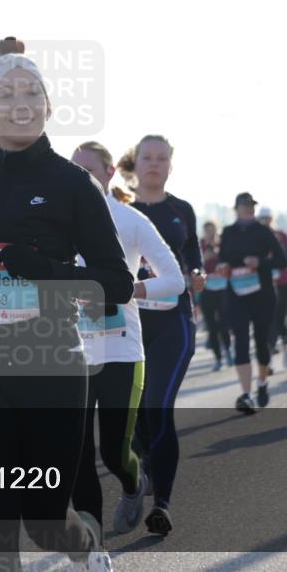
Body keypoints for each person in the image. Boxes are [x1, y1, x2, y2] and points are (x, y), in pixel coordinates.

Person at [0, 37, 132, 571]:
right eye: (7, 93)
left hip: (48, 359)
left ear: (48, 107)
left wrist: (50, 273)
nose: (20, 101)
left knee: (42, 518)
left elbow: (117, 284)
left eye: (32, 92)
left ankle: (86, 547)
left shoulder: (73, 183)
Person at [70, 142, 184, 539]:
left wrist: (128, 290)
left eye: (87, 170)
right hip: (70, 351)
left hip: (120, 348)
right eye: (73, 170)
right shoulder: (55, 224)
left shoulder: (129, 220)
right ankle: (91, 546)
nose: (79, 177)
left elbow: (175, 280)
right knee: (78, 454)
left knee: (115, 453)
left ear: (109, 172)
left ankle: (134, 485)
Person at [116, 134, 204, 537]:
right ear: (136, 164)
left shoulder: (180, 210)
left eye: (162, 158)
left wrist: (198, 279)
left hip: (173, 321)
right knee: (131, 412)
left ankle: (162, 505)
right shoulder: (118, 208)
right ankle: (144, 466)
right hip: (127, 322)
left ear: (171, 164)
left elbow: (194, 263)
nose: (154, 164)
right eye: (147, 158)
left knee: (158, 405)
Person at [217, 192, 287, 414]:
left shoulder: (264, 231)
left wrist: (260, 262)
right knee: (240, 339)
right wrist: (223, 267)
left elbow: (282, 261)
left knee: (261, 341)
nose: (249, 209)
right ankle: (246, 394)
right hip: (236, 293)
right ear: (236, 208)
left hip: (262, 294)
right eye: (245, 205)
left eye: (252, 206)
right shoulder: (228, 232)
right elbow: (222, 259)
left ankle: (262, 383)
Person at [258, 207, 287, 367]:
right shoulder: (255, 237)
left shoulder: (281, 235)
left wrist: (278, 257)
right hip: (264, 283)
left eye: (268, 218)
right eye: (262, 218)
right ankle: (269, 359)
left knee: (279, 319)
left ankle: (285, 347)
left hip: (283, 282)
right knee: (268, 321)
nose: (265, 221)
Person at [200, 221, 232, 370]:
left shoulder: (224, 245)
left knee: (224, 323)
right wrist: (204, 259)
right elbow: (194, 265)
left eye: (212, 230)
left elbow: (231, 261)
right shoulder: (200, 246)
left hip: (223, 288)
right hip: (207, 290)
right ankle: (218, 358)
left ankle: (228, 351)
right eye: (207, 231)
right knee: (211, 326)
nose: (210, 233)